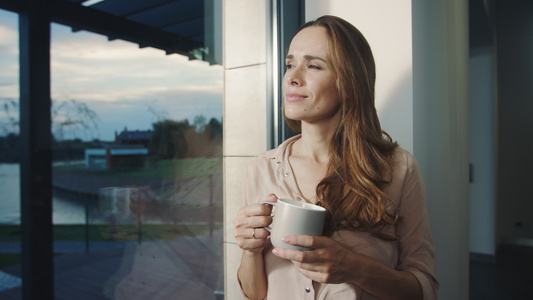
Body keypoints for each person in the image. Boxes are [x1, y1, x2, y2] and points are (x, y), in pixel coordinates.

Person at [234, 15, 438, 300]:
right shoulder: (259, 170)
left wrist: (355, 267)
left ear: (349, 82)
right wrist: (250, 249)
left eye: (313, 65)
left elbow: (423, 290)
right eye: (290, 64)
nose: (292, 77)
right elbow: (255, 295)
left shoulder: (399, 169)